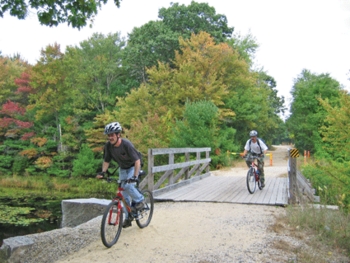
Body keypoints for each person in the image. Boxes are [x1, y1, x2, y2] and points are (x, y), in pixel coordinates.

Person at [96, 121, 144, 228]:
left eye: (112, 135)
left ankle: (140, 200)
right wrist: (103, 172)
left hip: (133, 166)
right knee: (123, 194)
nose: (110, 137)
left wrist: (134, 177)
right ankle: (128, 218)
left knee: (128, 186)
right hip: (123, 168)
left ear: (118, 134)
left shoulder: (126, 144)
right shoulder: (108, 146)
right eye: (108, 135)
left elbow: (137, 161)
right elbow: (106, 160)